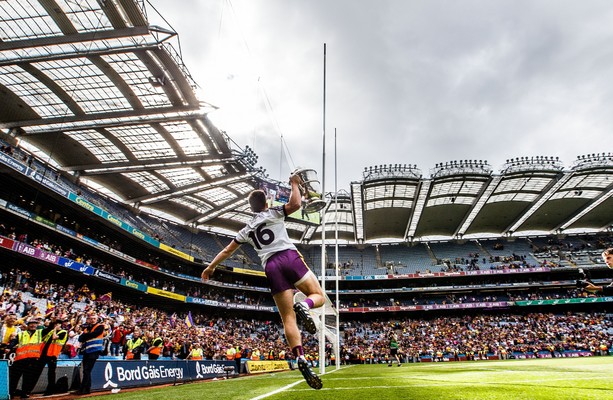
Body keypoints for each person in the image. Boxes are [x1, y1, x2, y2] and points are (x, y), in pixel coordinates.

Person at [202, 172, 325, 390]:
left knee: (288, 317)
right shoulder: (273, 212)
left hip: (270, 266)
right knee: (319, 296)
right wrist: (294, 183)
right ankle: (304, 305)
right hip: (288, 256)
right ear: (265, 202)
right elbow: (295, 204)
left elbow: (227, 251)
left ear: (251, 208)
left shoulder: (246, 229)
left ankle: (301, 358)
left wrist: (211, 267)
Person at [9, 318, 42, 399]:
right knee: (14, 378)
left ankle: (24, 393)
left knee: (28, 378)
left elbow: (49, 329)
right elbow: (14, 342)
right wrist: (8, 347)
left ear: (37, 325)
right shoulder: (21, 334)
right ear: (28, 325)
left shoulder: (40, 333)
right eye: (31, 323)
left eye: (35, 323)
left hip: (32, 360)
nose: (33, 325)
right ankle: (11, 393)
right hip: (20, 359)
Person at [76, 312, 104, 395]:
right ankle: (87, 389)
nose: (92, 320)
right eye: (91, 319)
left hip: (94, 351)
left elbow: (93, 334)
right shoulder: (87, 328)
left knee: (87, 370)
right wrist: (86, 335)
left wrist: (86, 335)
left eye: (94, 319)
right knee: (86, 371)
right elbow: (80, 338)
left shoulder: (100, 326)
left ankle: (83, 389)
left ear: (97, 319)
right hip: (87, 351)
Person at [39, 314, 68, 396]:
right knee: (38, 370)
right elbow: (43, 339)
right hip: (44, 354)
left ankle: (50, 389)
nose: (56, 325)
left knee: (51, 373)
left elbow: (54, 337)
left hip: (52, 354)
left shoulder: (63, 332)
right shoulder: (51, 331)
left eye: (58, 324)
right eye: (55, 324)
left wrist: (54, 329)